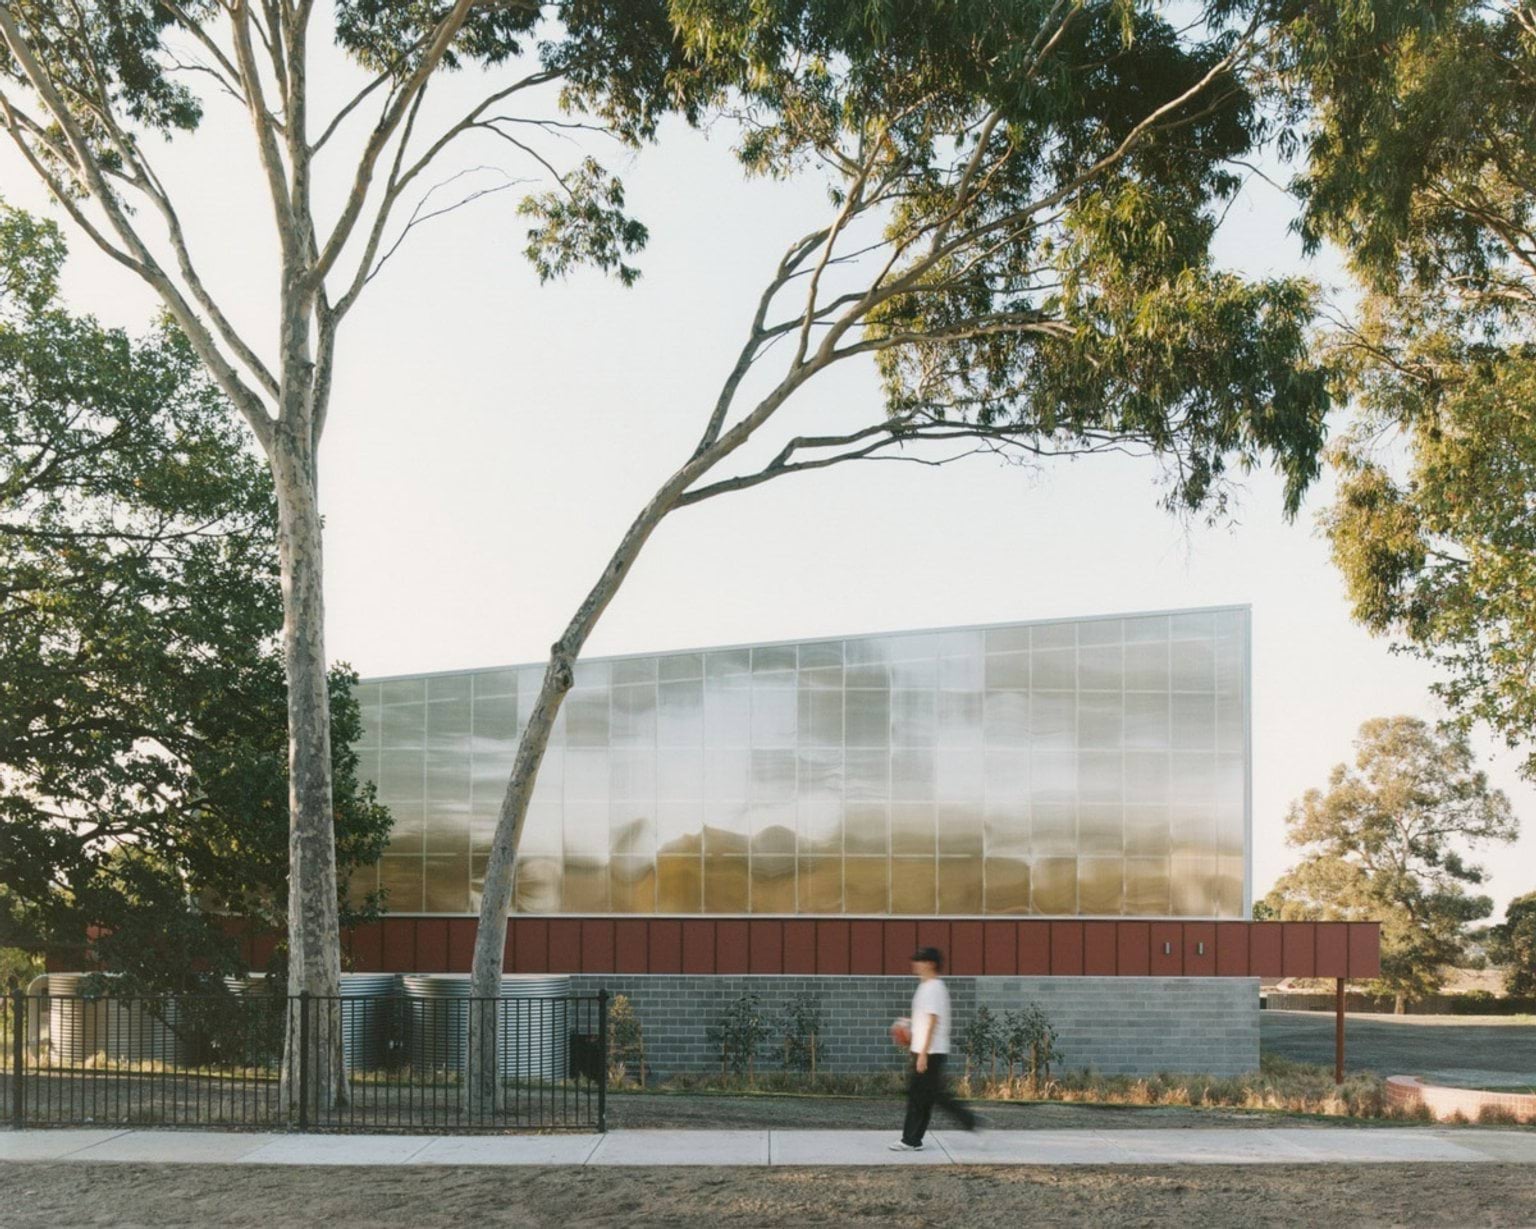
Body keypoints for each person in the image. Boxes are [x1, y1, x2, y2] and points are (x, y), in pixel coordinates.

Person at [890, 946, 977, 1151]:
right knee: (930, 1096)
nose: (915, 964)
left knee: (921, 1095)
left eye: (919, 960)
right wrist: (908, 1024)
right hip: (924, 1049)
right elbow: (924, 1018)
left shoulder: (934, 988)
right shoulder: (926, 986)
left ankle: (911, 1140)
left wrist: (922, 1055)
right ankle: (969, 1123)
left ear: (930, 964)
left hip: (929, 1051)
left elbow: (932, 1021)